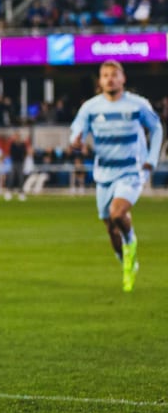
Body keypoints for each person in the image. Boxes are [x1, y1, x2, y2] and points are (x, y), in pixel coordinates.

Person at [69, 60, 163, 292]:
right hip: (104, 173)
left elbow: (157, 127)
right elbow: (76, 129)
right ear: (100, 81)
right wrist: (76, 141)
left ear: (123, 79)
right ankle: (126, 261)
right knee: (110, 226)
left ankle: (131, 240)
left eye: (114, 74)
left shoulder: (137, 105)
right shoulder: (91, 107)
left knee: (117, 212)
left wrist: (152, 158)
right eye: (105, 75)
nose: (110, 78)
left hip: (131, 171)